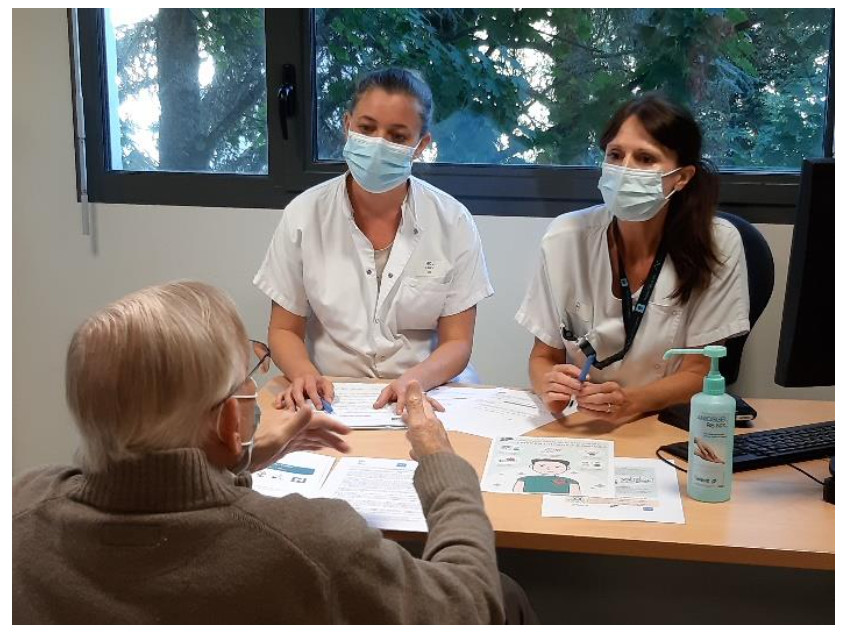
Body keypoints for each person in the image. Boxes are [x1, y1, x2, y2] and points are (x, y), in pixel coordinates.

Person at [12, 281, 536, 624]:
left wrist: (238, 455)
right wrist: (442, 465)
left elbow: (139, 479)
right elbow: (467, 605)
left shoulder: (21, 508)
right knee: (508, 590)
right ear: (227, 418)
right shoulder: (311, 544)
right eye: (249, 377)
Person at [254, 68, 493, 415]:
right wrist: (304, 375)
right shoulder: (304, 215)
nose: (379, 143)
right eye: (367, 129)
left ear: (421, 145)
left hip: (425, 389)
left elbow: (457, 342)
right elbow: (283, 330)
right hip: (331, 390)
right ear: (347, 126)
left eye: (397, 136)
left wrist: (415, 380)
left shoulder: (453, 221)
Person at [516, 93, 749, 424]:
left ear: (682, 177)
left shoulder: (718, 243)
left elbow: (700, 372)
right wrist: (548, 385)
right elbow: (544, 355)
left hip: (659, 419)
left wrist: (632, 402)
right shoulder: (564, 238)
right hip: (583, 420)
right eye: (615, 154)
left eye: (645, 158)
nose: (625, 170)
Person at [513, 459, 581, 495]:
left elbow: (575, 495)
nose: (549, 468)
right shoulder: (524, 480)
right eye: (542, 466)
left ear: (567, 468)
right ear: (531, 466)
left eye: (557, 467)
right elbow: (516, 494)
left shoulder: (571, 482)